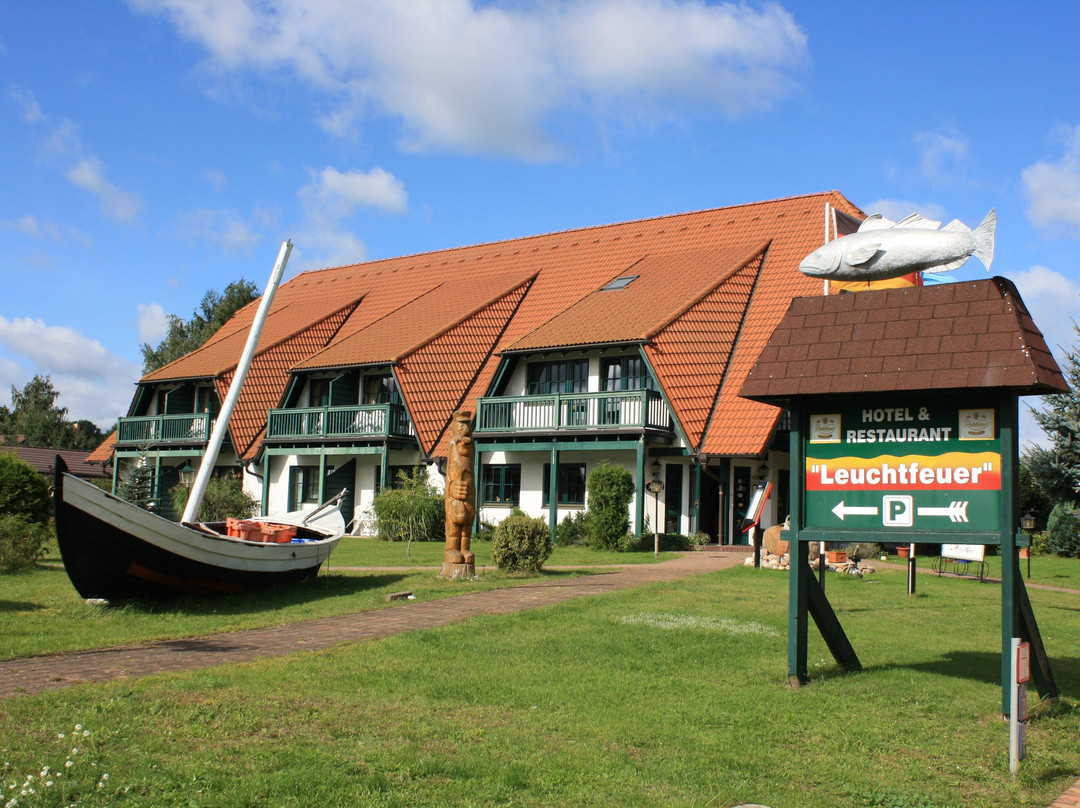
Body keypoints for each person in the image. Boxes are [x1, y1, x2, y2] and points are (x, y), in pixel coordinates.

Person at [443, 411, 475, 565]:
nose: (465, 428)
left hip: (469, 498)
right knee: (454, 525)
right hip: (454, 499)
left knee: (467, 524)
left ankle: (464, 548)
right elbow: (450, 473)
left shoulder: (471, 446)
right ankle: (451, 549)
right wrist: (452, 487)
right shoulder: (452, 444)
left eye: (468, 424)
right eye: (461, 424)